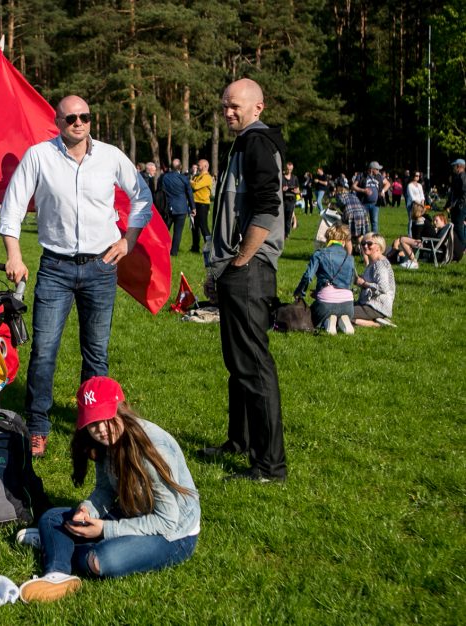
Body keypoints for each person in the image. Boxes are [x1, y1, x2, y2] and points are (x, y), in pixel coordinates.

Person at [0, 94, 153, 457]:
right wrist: (14, 254)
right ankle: (38, 424)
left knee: (96, 354)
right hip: (55, 267)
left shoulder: (112, 156)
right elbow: (12, 207)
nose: (78, 123)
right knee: (44, 351)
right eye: (71, 118)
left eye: (84, 116)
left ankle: (93, 425)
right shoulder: (39, 156)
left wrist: (128, 241)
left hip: (101, 266)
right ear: (58, 121)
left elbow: (142, 195)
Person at [17, 376, 199, 603]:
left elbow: (167, 521)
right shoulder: (103, 444)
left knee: (102, 561)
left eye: (107, 419)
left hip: (174, 534)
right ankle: (57, 574)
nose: (102, 430)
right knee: (52, 518)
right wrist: (87, 510)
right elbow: (105, 490)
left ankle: (57, 544)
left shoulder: (154, 450)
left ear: (121, 410)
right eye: (93, 424)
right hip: (132, 511)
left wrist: (104, 529)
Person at [199, 78, 287, 483]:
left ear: (258, 107)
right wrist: (219, 269)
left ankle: (270, 465)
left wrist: (240, 260)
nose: (228, 112)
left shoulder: (257, 143)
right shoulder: (244, 143)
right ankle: (241, 440)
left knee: (254, 366)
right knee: (238, 364)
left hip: (249, 271)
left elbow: (268, 208)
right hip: (234, 269)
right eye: (225, 106)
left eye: (235, 106)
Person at [293, 224, 356, 335]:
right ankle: (341, 321)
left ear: (328, 238)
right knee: (339, 310)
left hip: (326, 303)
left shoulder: (320, 254)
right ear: (344, 241)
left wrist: (300, 292)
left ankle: (327, 322)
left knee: (310, 318)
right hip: (348, 305)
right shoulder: (350, 258)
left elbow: (308, 276)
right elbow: (350, 282)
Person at [354, 233, 396, 328]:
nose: (365, 246)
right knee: (342, 309)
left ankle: (376, 324)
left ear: (378, 246)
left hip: (378, 306)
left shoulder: (380, 264)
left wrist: (364, 283)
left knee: (344, 314)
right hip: (368, 303)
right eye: (363, 243)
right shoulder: (372, 263)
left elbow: (383, 288)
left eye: (369, 244)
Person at [160, 158, 195, 256]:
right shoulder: (184, 178)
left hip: (168, 207)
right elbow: (189, 193)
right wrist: (193, 207)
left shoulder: (164, 177)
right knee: (178, 232)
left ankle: (162, 249)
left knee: (165, 230)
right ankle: (174, 252)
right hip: (181, 208)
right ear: (180, 167)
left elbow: (160, 190)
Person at [352, 161, 389, 234]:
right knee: (364, 222)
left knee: (374, 222)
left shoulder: (379, 176)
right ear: (372, 169)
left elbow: (388, 183)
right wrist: (363, 190)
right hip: (363, 203)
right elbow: (353, 186)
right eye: (377, 169)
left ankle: (374, 239)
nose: (379, 171)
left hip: (375, 204)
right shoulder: (362, 175)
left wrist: (383, 191)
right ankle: (365, 238)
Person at [189, 159, 213, 253]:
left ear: (205, 166)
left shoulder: (207, 177)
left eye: (199, 165)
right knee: (195, 226)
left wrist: (190, 181)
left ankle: (209, 247)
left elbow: (196, 186)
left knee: (203, 226)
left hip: (203, 204)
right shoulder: (197, 176)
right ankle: (195, 247)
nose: (198, 166)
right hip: (195, 203)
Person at [448, 158, 466, 244]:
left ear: (458, 166)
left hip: (460, 206)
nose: (453, 168)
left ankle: (463, 246)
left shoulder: (462, 176)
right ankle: (457, 245)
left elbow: (463, 192)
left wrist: (458, 204)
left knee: (458, 226)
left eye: (454, 166)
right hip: (457, 206)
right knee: (455, 226)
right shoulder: (458, 177)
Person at [282, 161, 299, 239]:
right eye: (288, 169)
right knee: (282, 217)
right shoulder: (281, 177)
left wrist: (296, 191)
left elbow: (298, 189)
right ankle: (282, 233)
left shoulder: (294, 178)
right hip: (283, 199)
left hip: (291, 199)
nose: (289, 171)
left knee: (288, 217)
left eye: (290, 169)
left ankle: (286, 234)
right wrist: (282, 189)